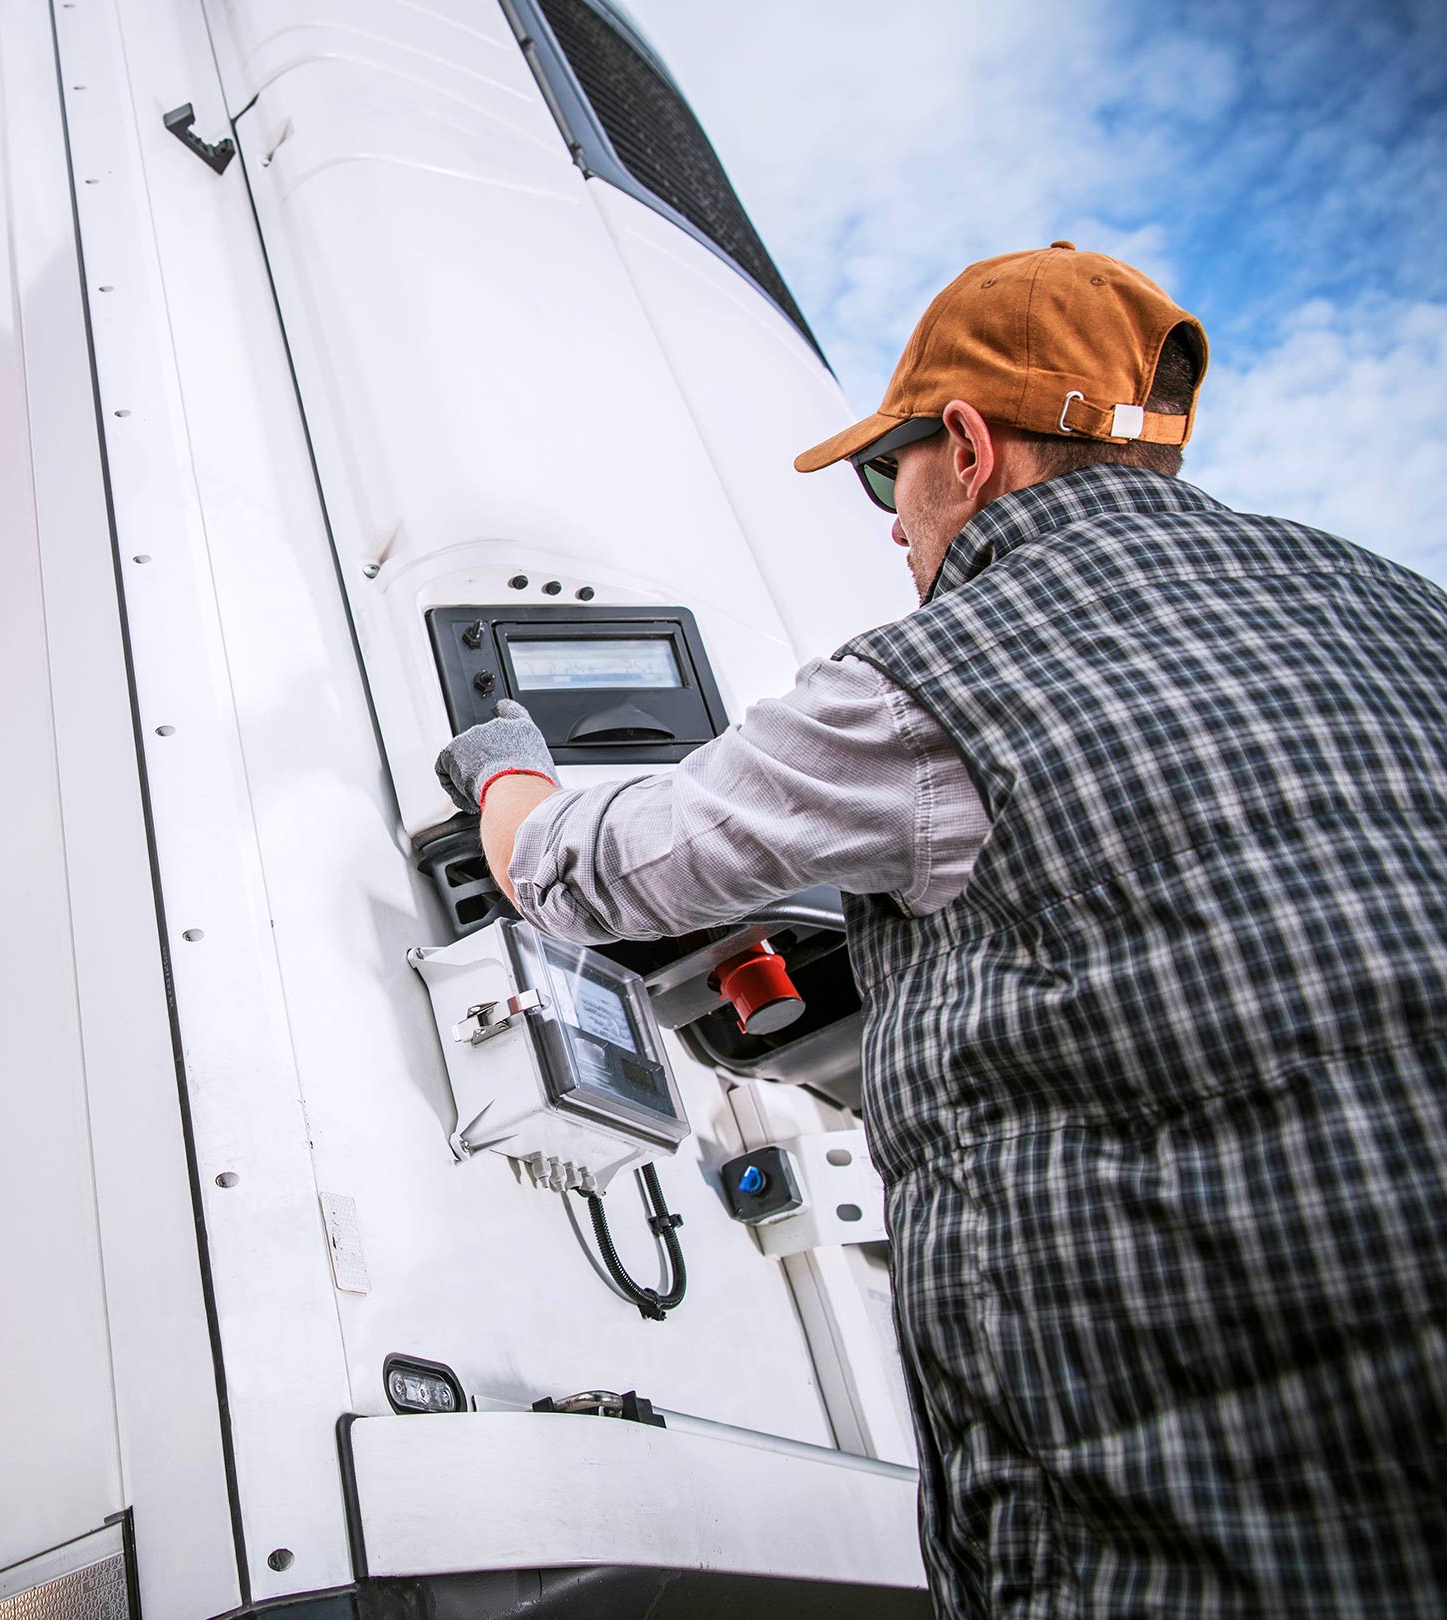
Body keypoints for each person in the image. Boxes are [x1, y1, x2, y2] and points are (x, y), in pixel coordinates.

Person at [436, 243, 1447, 1618]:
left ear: (967, 450)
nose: (889, 524)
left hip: (1202, 1518)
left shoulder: (936, 675)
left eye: (882, 474)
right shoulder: (1396, 608)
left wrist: (505, 770)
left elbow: (586, 875)